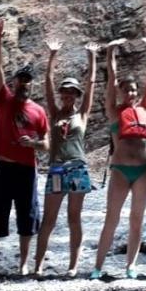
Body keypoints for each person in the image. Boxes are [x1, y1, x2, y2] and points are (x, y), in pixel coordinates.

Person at [90, 36, 146, 279]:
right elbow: (110, 79)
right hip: (120, 169)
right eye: (126, 89)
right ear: (121, 92)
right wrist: (110, 51)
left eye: (133, 89)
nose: (130, 93)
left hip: (144, 170)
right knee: (112, 217)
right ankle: (98, 267)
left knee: (136, 219)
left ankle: (131, 266)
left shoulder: (144, 109)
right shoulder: (113, 111)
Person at [0, 17, 48, 276]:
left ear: (32, 85)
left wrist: (33, 143)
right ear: (15, 83)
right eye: (20, 80)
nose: (24, 84)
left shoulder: (39, 111)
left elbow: (46, 144)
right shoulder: (5, 101)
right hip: (4, 167)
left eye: (28, 81)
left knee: (27, 216)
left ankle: (22, 265)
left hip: (26, 169)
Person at [32, 39, 100, 277]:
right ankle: (38, 265)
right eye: (65, 92)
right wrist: (52, 54)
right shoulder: (54, 112)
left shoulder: (82, 114)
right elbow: (47, 82)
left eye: (72, 92)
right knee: (49, 219)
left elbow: (92, 83)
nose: (68, 95)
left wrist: (92, 56)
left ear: (77, 96)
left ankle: (73, 266)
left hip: (78, 168)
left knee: (74, 218)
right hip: (58, 169)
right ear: (61, 95)